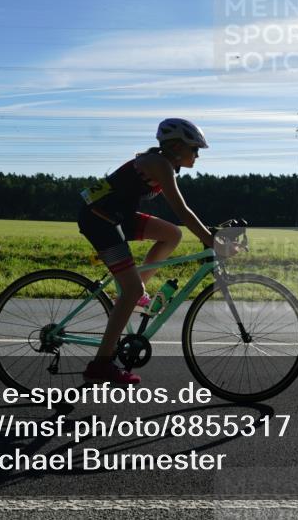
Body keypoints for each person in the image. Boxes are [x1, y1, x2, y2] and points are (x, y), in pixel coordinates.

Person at [77, 118, 216, 384]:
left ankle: (136, 292)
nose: (198, 154)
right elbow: (181, 210)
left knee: (172, 234)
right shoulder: (159, 164)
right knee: (131, 290)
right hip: (99, 219)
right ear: (176, 146)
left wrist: (209, 233)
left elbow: (180, 219)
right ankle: (101, 365)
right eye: (194, 148)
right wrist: (211, 240)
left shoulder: (164, 164)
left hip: (116, 215)